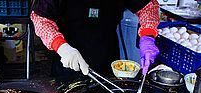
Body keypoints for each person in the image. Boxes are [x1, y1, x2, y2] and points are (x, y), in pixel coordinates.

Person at [30, 0, 161, 78]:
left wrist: (147, 36)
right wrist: (62, 47)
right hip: (68, 61)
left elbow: (148, 7)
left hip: (107, 60)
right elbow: (41, 19)